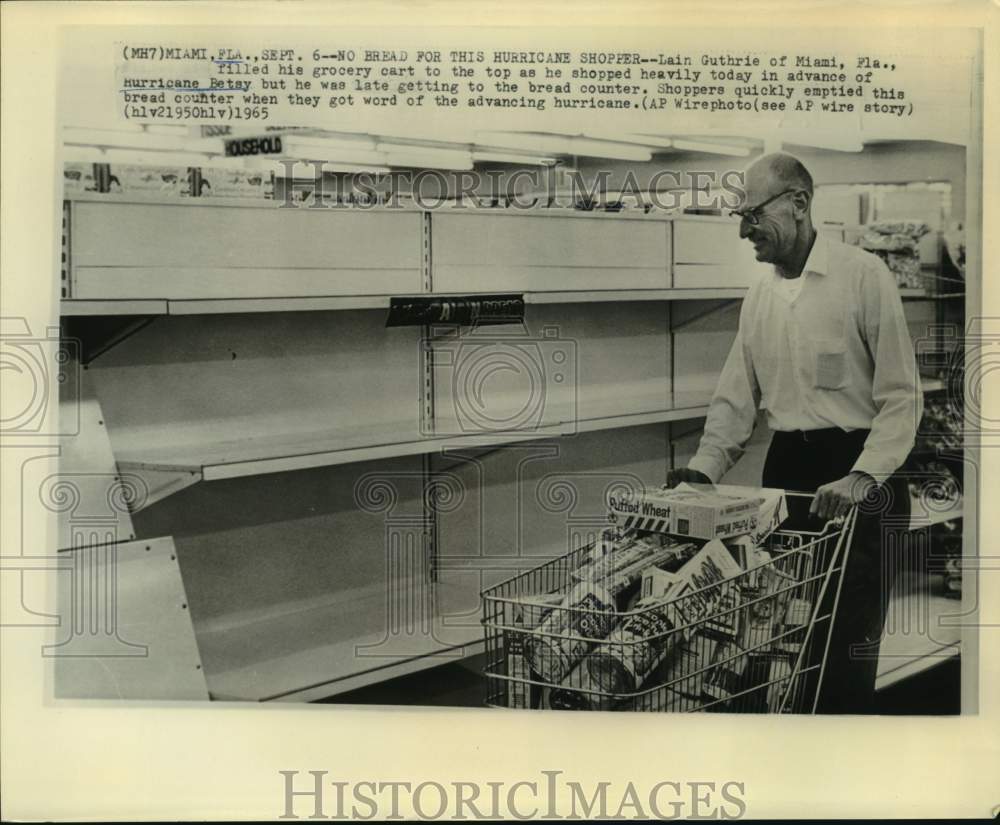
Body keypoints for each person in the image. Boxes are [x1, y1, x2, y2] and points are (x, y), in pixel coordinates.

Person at [667, 153, 922, 714]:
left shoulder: (863, 277)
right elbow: (736, 400)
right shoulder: (759, 299)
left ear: (799, 204)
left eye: (752, 213)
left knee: (844, 650)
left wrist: (862, 476)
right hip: (786, 477)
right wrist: (700, 474)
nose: (743, 230)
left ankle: (837, 780)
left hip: (860, 477)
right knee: (780, 639)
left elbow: (902, 398)